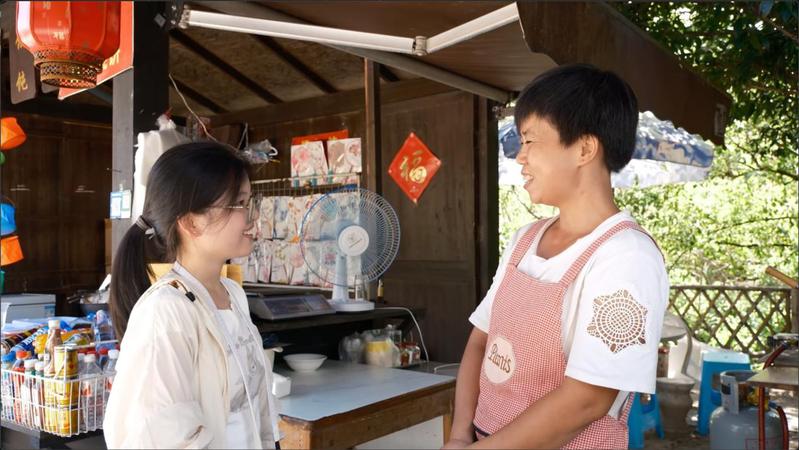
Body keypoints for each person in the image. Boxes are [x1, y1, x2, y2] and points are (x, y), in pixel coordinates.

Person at [443, 64, 669, 449]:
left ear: (584, 149)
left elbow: (586, 400)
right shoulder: (525, 239)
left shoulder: (626, 257)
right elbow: (481, 341)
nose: (520, 157)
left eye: (530, 140)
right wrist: (460, 434)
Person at [104, 142, 281, 449]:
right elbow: (165, 436)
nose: (252, 218)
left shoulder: (233, 294)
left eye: (250, 202)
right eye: (239, 204)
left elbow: (255, 408)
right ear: (191, 222)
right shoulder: (165, 312)